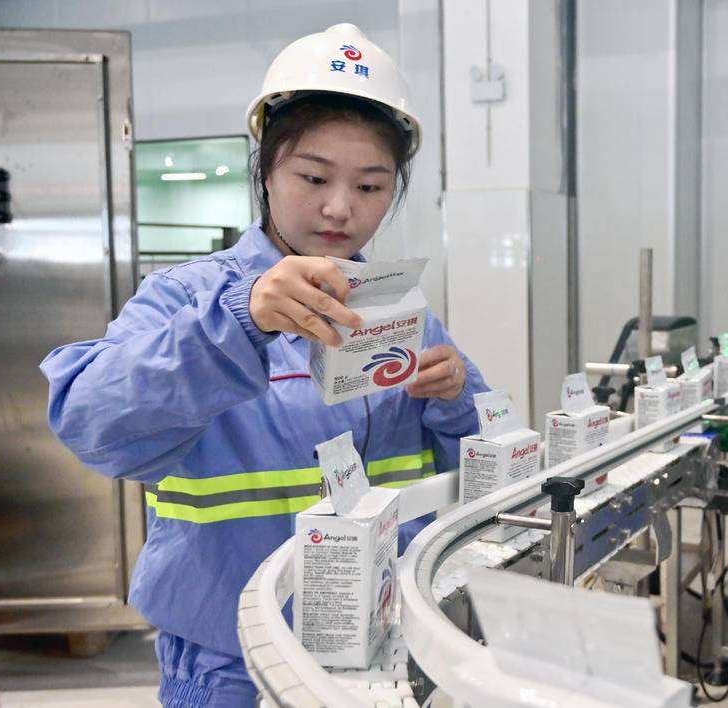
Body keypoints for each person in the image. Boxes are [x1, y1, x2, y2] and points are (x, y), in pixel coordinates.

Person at [40, 24, 488, 708]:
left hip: (382, 647)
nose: (340, 208)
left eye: (371, 185)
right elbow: (89, 421)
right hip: (232, 659)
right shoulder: (189, 296)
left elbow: (485, 469)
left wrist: (455, 398)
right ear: (266, 169)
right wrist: (241, 320)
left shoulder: (396, 308)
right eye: (314, 177)